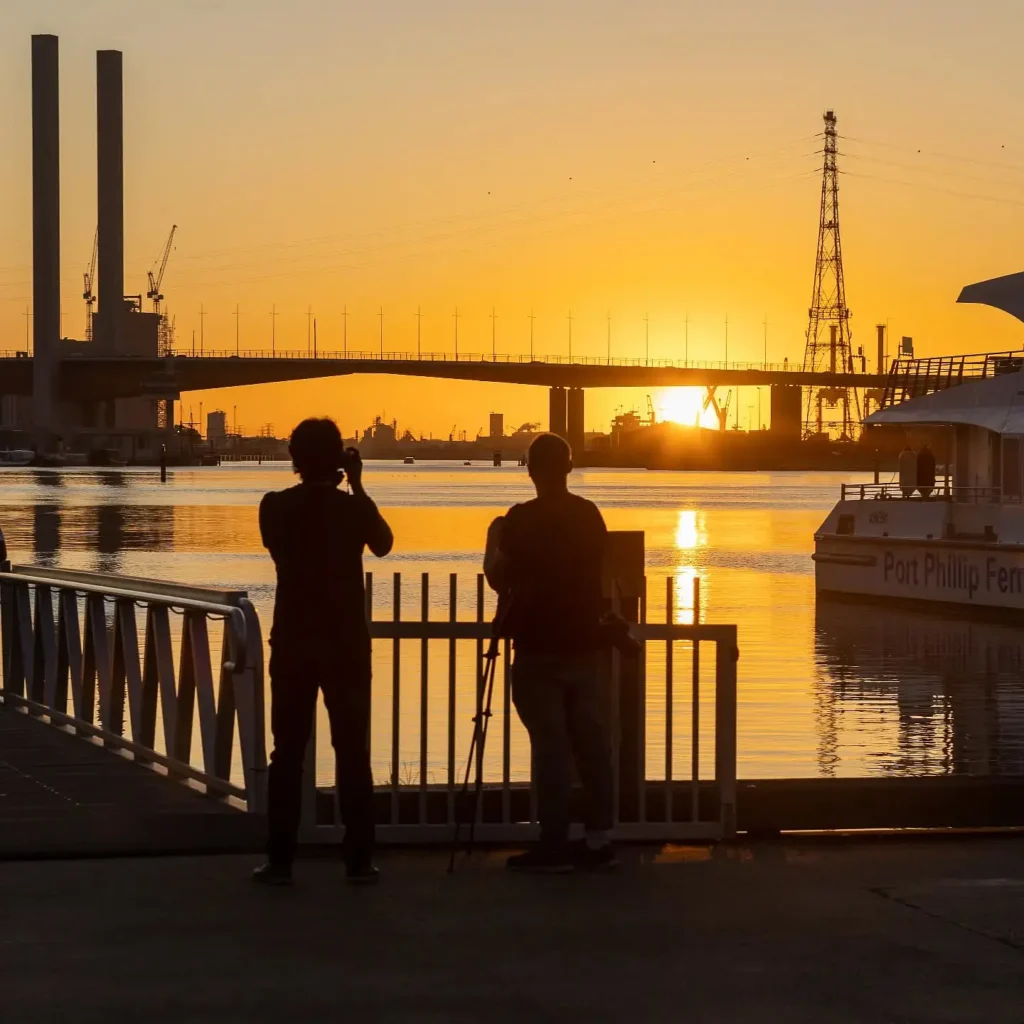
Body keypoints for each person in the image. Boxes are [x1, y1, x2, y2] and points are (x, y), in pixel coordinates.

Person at [253, 417, 393, 886]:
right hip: (347, 644)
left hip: (293, 640)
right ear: (336, 459)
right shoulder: (351, 510)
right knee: (353, 753)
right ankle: (359, 860)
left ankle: (280, 860)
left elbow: (278, 546)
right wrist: (355, 483)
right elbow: (384, 544)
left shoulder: (274, 508)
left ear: (293, 458)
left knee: (286, 754)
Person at [485, 433, 616, 873]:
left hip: (538, 644)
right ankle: (599, 838)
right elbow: (599, 569)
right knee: (591, 744)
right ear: (568, 467)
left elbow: (501, 579)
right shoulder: (588, 515)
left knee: (550, 748)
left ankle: (553, 841)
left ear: (529, 470)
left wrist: (494, 542)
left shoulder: (519, 520)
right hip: (582, 642)